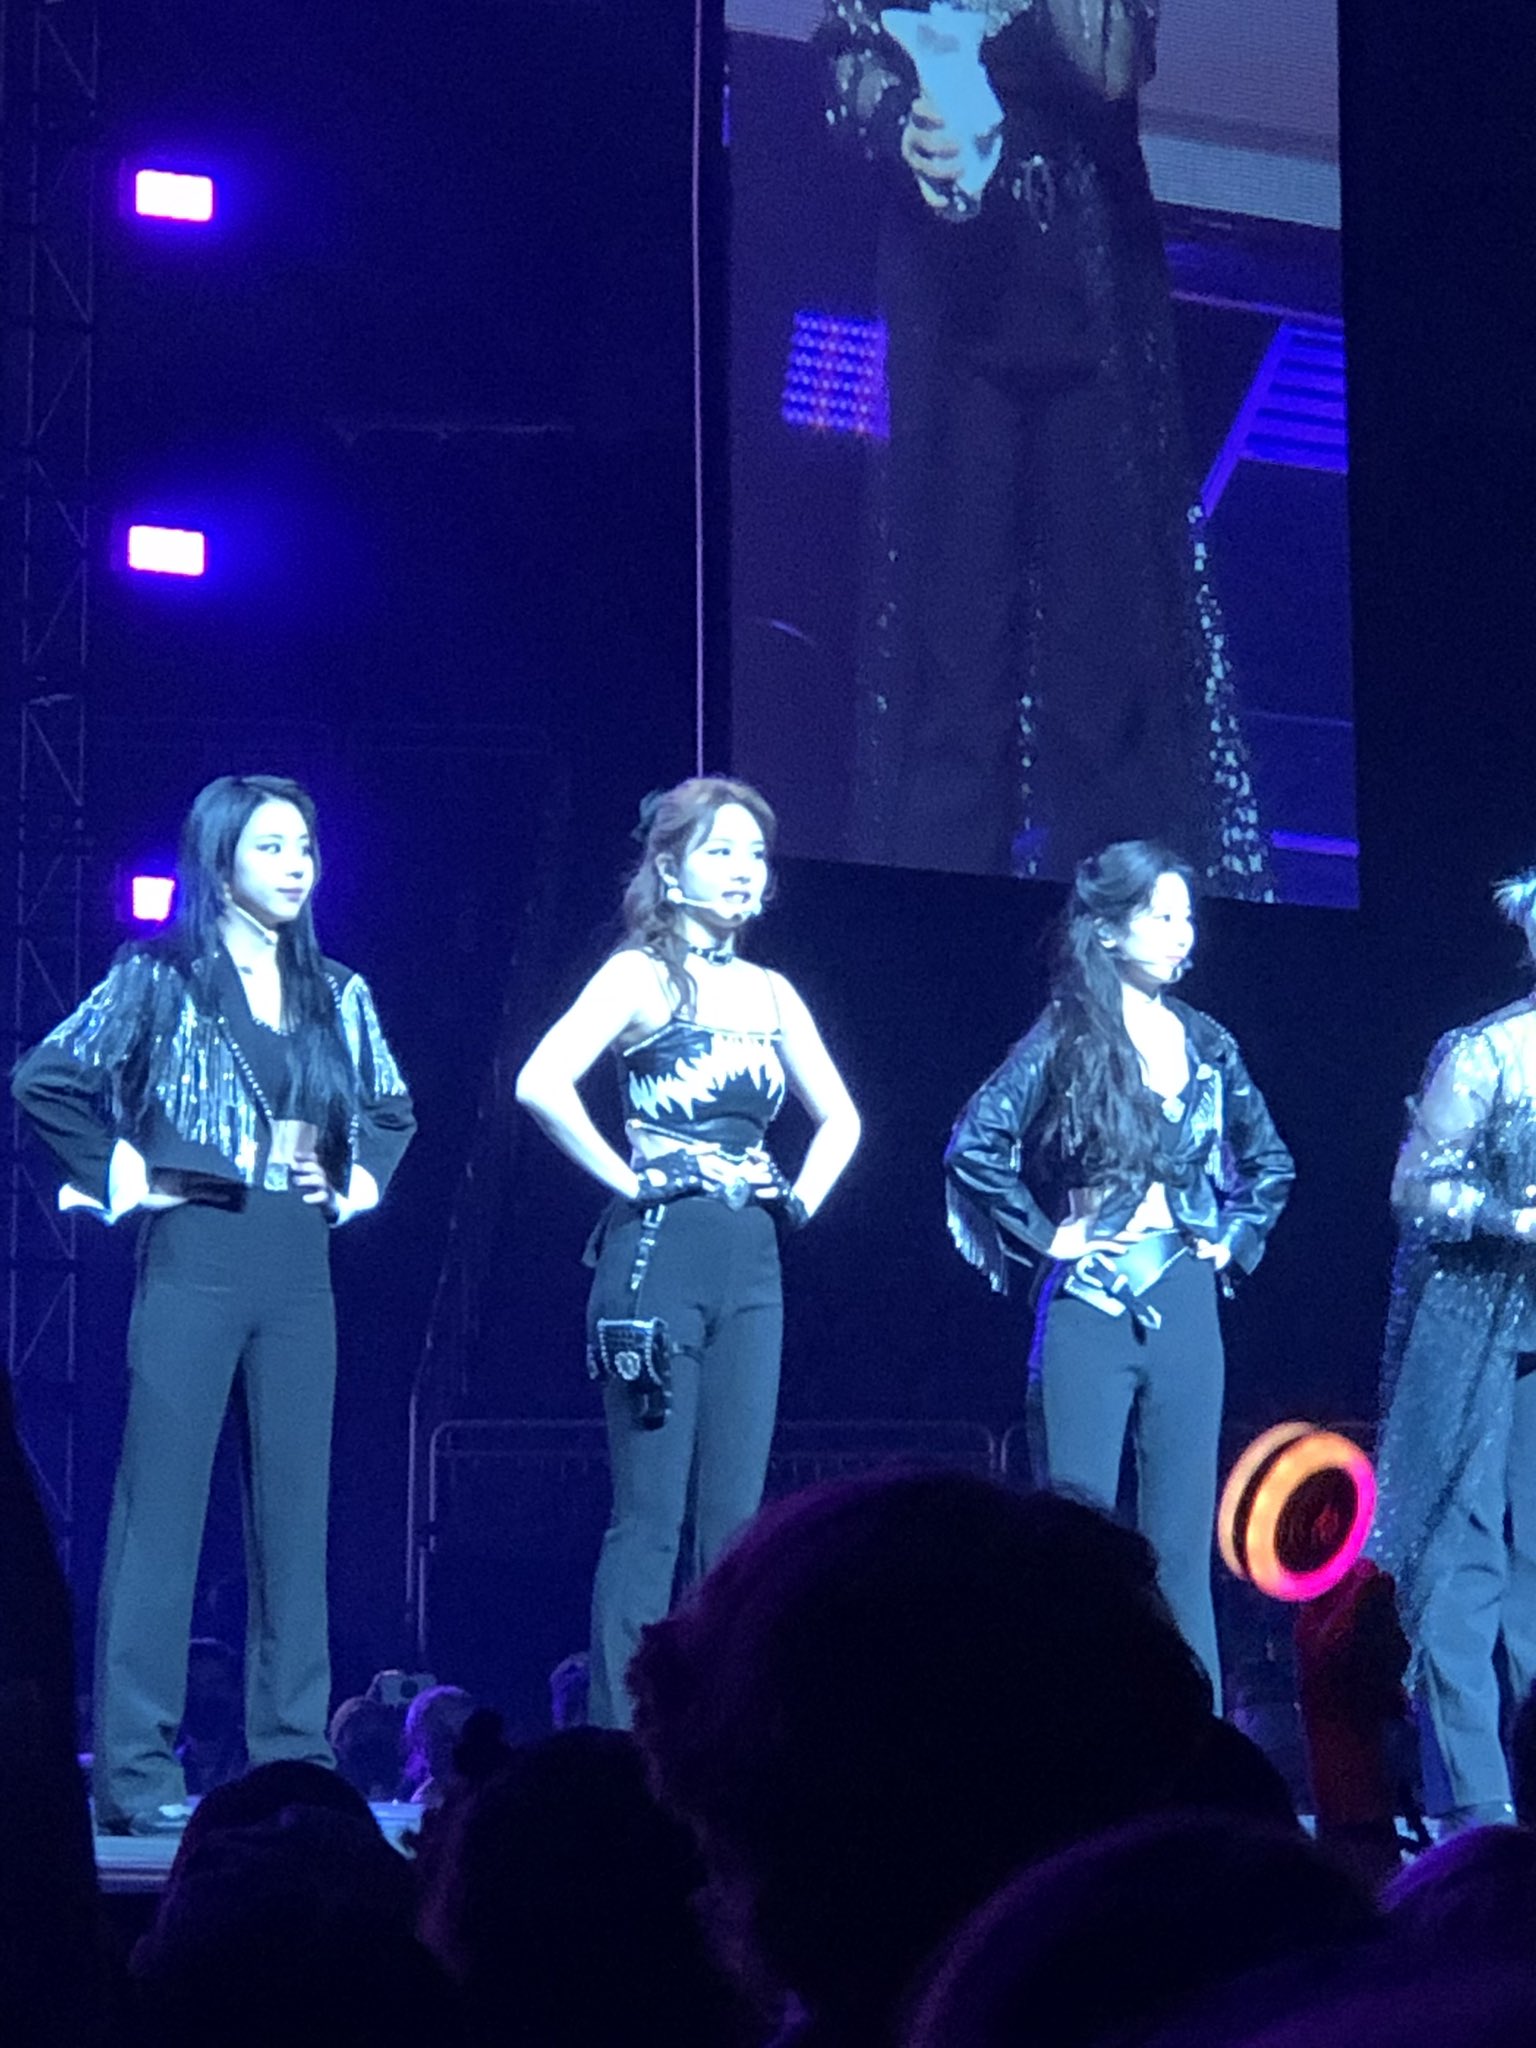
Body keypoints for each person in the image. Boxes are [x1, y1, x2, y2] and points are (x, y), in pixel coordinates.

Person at [12, 774, 416, 1834]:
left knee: (295, 1520)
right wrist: (123, 1171)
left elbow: (390, 1108)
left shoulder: (338, 989)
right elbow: (45, 1077)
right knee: (160, 1520)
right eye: (272, 845)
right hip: (193, 1255)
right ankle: (135, 1774)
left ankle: (295, 1756)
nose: (296, 864)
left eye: (306, 846)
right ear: (220, 860)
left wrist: (354, 1181)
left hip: (299, 1268)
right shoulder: (159, 976)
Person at [816, 2, 1269, 892]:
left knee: (1105, 661)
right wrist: (903, 125)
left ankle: (1113, 921)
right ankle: (940, 917)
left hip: (1088, 303)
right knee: (953, 655)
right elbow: (845, 53)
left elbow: (1110, 69)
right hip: (955, 312)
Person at [515, 777, 860, 1728]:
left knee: (739, 1525)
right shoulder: (638, 976)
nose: (744, 871)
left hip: (752, 1257)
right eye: (721, 852)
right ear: (669, 871)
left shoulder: (772, 993)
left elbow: (843, 1118)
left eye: (755, 855)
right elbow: (540, 1082)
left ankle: (724, 1728)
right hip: (658, 1252)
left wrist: (798, 1199)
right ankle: (621, 1739)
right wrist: (629, 1180)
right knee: (650, 1519)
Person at [944, 839, 1292, 1694]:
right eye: (1161, 917)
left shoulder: (1206, 1041)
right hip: (1091, 1307)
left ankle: (1196, 1739)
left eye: (1186, 919)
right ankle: (1071, 1735)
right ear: (1106, 931)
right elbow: (975, 1144)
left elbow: (1270, 1162)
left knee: (1180, 1550)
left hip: (1186, 1300)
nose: (1181, 935)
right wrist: (1046, 1236)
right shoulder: (1068, 1033)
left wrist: (1230, 1240)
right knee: (1074, 1547)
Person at [1372, 866, 1536, 1828]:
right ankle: (1478, 1805)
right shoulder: (1489, 1054)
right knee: (1462, 1559)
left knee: (1534, 1567)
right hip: (1473, 1329)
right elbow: (1416, 1191)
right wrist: (1509, 1217)